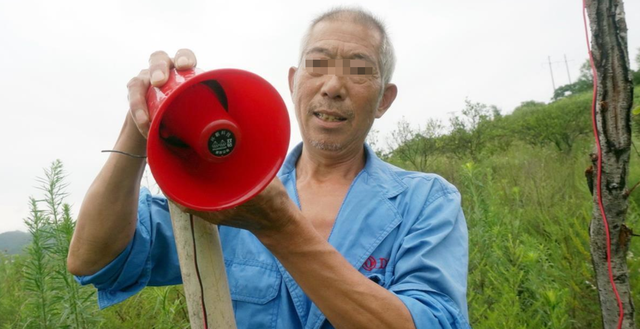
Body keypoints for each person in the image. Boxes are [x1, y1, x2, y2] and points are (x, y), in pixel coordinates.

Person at [67, 7, 470, 329]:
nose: (333, 86)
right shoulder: (226, 186)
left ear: (384, 100)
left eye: (360, 70)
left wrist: (280, 228)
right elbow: (94, 259)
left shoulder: (427, 202)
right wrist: (140, 124)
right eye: (318, 64)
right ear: (294, 81)